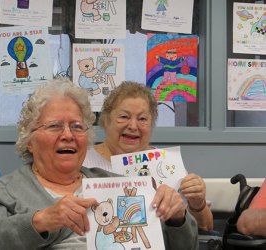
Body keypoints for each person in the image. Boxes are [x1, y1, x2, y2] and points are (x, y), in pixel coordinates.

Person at [0, 79, 198, 250]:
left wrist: (177, 218)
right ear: (29, 141)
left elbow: (185, 246)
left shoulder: (123, 186)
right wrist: (40, 221)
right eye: (54, 126)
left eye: (77, 127)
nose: (68, 135)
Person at [84, 80, 213, 231]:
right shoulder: (83, 161)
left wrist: (197, 204)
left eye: (142, 119)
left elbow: (205, 228)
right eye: (124, 117)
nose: (133, 126)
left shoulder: (166, 165)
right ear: (106, 120)